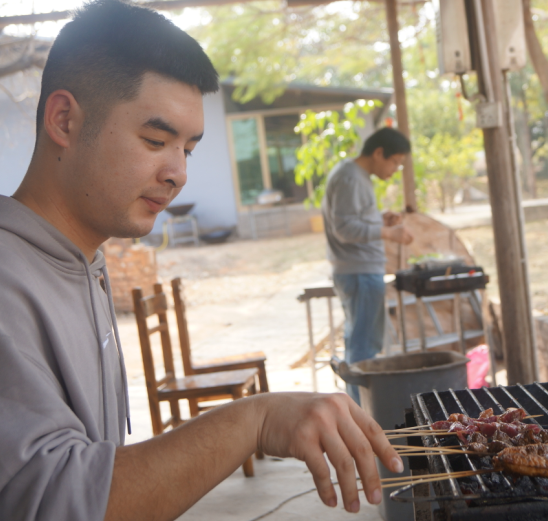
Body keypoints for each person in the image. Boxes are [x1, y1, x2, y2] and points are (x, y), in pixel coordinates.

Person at [0, 2, 403, 520]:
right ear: (64, 119)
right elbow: (58, 501)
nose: (178, 173)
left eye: (188, 149)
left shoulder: (84, 265)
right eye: (155, 140)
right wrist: (255, 420)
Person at [322, 127, 414, 403]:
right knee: (363, 347)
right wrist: (388, 233)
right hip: (359, 271)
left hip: (361, 270)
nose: (395, 169)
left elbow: (353, 219)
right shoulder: (350, 177)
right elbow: (344, 229)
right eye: (395, 162)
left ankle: (358, 410)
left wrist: (378, 219)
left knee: (363, 342)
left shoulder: (355, 176)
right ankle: (360, 411)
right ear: (378, 153)